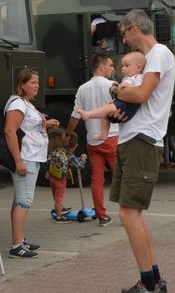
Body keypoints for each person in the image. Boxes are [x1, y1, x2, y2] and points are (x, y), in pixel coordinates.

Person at [109, 9, 173, 293]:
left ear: (135, 28)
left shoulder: (158, 54)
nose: (124, 40)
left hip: (142, 140)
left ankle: (149, 283)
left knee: (128, 215)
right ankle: (154, 279)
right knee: (131, 214)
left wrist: (116, 91)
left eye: (124, 33)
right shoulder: (153, 57)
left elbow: (139, 94)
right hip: (136, 138)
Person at [4, 68, 60, 258]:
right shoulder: (17, 104)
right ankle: (16, 245)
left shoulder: (25, 104)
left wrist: (46, 123)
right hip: (26, 157)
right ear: (22, 84)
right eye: (33, 82)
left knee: (21, 200)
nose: (37, 85)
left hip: (32, 156)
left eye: (37, 82)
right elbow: (10, 131)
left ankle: (20, 240)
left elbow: (27, 126)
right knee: (24, 201)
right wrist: (19, 160)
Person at [67, 53, 119, 228]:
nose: (113, 68)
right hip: (112, 138)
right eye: (111, 65)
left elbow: (75, 116)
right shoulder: (113, 86)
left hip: (93, 141)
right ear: (101, 67)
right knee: (122, 177)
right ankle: (129, 213)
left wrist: (68, 133)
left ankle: (102, 216)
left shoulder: (82, 88)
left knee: (97, 180)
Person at [75, 51, 146, 140]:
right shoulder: (121, 80)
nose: (121, 69)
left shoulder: (138, 78)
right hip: (115, 131)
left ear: (139, 68)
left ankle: (89, 115)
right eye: (122, 66)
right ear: (101, 67)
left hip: (128, 106)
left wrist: (124, 87)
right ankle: (103, 134)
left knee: (107, 109)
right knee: (105, 113)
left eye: (126, 66)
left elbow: (140, 89)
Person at [46, 130, 87, 223]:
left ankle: (60, 208)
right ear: (75, 145)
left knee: (55, 196)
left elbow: (49, 160)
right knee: (59, 197)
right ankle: (59, 217)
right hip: (60, 179)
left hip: (52, 177)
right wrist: (83, 158)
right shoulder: (70, 156)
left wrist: (48, 171)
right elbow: (79, 165)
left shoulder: (58, 150)